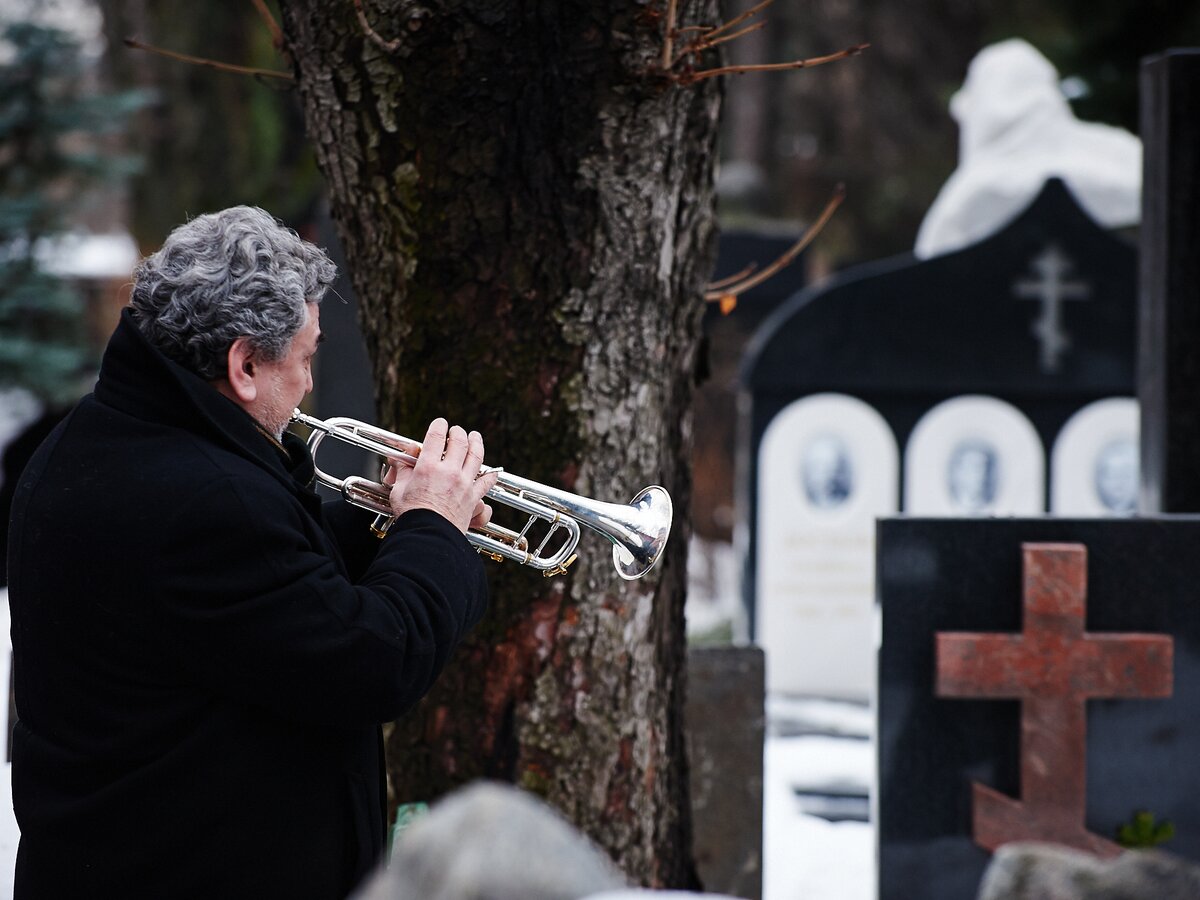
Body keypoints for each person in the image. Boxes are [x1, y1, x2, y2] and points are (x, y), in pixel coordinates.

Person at [6, 206, 498, 899]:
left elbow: (268, 595)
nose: (307, 384)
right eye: (304, 358)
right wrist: (436, 529)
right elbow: (377, 661)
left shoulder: (107, 439)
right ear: (243, 365)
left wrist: (393, 522)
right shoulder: (204, 500)